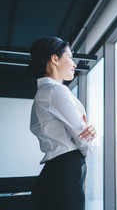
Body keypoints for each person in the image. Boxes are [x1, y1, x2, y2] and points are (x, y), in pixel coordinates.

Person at [28, 37, 96, 210]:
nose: (74, 64)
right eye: (70, 57)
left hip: (57, 171)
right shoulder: (56, 91)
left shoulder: (44, 92)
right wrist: (87, 147)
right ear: (55, 59)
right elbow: (83, 137)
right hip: (66, 170)